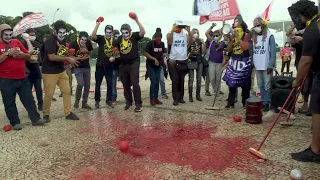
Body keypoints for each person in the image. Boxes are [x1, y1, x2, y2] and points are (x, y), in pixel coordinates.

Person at [289, 0, 320, 162]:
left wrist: (297, 81)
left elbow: (305, 61)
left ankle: (315, 150)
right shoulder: (318, 22)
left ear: (303, 14)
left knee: (317, 109)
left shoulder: (312, 29)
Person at [0, 24, 46, 130]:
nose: (8, 37)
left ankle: (35, 119)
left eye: (10, 34)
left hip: (22, 77)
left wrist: (22, 54)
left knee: (29, 99)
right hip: (5, 80)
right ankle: (15, 122)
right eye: (6, 35)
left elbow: (29, 55)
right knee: (9, 102)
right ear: (1, 35)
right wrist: (8, 53)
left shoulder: (16, 42)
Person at [41, 20, 80, 121]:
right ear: (55, 31)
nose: (62, 35)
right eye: (60, 33)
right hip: (49, 72)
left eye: (64, 33)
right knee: (49, 94)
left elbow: (62, 51)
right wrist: (67, 59)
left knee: (67, 91)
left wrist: (69, 55)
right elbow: (52, 57)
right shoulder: (50, 40)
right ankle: (46, 114)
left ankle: (68, 113)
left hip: (61, 71)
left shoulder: (62, 40)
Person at [116, 16, 145, 112]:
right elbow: (116, 50)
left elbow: (143, 32)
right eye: (123, 33)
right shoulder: (119, 39)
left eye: (126, 33)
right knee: (125, 85)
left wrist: (137, 20)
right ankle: (128, 101)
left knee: (135, 83)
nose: (125, 35)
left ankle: (138, 104)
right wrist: (114, 55)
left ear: (130, 31)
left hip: (134, 62)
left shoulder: (134, 36)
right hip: (123, 64)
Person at [223, 14, 251, 108]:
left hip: (244, 60)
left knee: (245, 83)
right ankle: (230, 102)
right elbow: (229, 50)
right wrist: (232, 39)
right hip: (234, 60)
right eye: (234, 21)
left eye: (237, 21)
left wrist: (238, 38)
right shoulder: (232, 35)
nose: (235, 23)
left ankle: (245, 102)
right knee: (232, 81)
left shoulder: (247, 34)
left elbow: (245, 47)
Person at [251, 16, 276, 112]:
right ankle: (262, 100)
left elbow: (273, 52)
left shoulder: (270, 36)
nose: (256, 27)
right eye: (254, 25)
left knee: (267, 85)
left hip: (266, 66)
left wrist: (271, 65)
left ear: (263, 25)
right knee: (260, 84)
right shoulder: (254, 37)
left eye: (258, 25)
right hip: (257, 65)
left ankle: (267, 102)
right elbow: (253, 51)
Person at [167, 20, 192, 106]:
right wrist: (172, 30)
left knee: (181, 80)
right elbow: (169, 42)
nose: (179, 28)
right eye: (178, 26)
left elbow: (190, 42)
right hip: (173, 59)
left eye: (181, 26)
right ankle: (175, 98)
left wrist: (189, 31)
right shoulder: (170, 33)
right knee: (175, 80)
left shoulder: (184, 34)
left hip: (183, 59)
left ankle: (181, 97)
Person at [91, 22, 116, 108]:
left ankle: (109, 101)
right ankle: (97, 101)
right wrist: (97, 24)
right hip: (100, 66)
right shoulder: (101, 38)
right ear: (105, 32)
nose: (108, 34)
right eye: (107, 32)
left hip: (109, 66)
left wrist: (114, 57)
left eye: (110, 32)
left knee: (110, 84)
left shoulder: (114, 41)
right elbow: (93, 36)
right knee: (98, 84)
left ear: (112, 33)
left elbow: (117, 53)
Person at [69, 31, 93, 109]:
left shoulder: (88, 43)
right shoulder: (73, 44)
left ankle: (84, 103)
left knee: (87, 85)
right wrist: (81, 58)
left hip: (86, 67)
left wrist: (87, 52)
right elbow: (70, 57)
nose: (84, 41)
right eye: (82, 39)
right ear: (79, 38)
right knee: (80, 84)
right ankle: (77, 101)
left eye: (85, 40)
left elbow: (90, 52)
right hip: (77, 67)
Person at [22, 28, 43, 111]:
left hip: (36, 68)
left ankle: (40, 104)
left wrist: (38, 61)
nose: (33, 37)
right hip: (27, 69)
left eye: (34, 35)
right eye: (31, 35)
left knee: (38, 88)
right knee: (28, 90)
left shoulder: (38, 44)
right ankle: (31, 106)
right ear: (27, 35)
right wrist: (29, 59)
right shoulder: (23, 44)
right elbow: (22, 56)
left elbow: (40, 56)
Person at [205, 24, 225, 99]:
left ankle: (217, 92)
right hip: (211, 62)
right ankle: (215, 90)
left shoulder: (222, 43)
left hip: (219, 63)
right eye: (214, 36)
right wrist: (211, 27)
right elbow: (206, 33)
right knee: (212, 78)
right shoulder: (211, 41)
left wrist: (222, 30)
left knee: (218, 78)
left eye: (217, 35)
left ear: (220, 36)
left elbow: (218, 48)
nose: (215, 37)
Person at [145, 31, 165, 105]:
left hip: (158, 66)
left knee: (157, 82)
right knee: (153, 81)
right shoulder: (150, 43)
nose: (158, 41)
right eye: (157, 39)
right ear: (154, 38)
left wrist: (164, 58)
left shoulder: (162, 44)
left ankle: (156, 98)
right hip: (150, 65)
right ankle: (152, 98)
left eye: (160, 39)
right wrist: (154, 59)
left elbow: (163, 53)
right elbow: (146, 53)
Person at [187, 28, 204, 102]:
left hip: (199, 60)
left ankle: (198, 95)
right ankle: (190, 96)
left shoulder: (199, 41)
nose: (195, 34)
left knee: (199, 78)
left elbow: (203, 52)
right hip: (191, 60)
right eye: (194, 32)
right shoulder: (189, 41)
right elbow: (187, 49)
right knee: (191, 78)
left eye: (197, 32)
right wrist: (191, 40)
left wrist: (203, 43)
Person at [40, 34, 57, 101]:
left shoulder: (51, 46)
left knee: (51, 83)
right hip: (44, 65)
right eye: (44, 39)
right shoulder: (42, 46)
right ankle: (47, 96)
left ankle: (50, 95)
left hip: (50, 66)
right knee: (46, 82)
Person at [112, 29, 120, 102]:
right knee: (113, 82)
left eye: (118, 36)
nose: (117, 38)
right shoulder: (111, 44)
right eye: (116, 36)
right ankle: (113, 96)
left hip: (121, 66)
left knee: (126, 82)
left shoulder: (121, 44)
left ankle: (128, 96)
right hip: (113, 67)